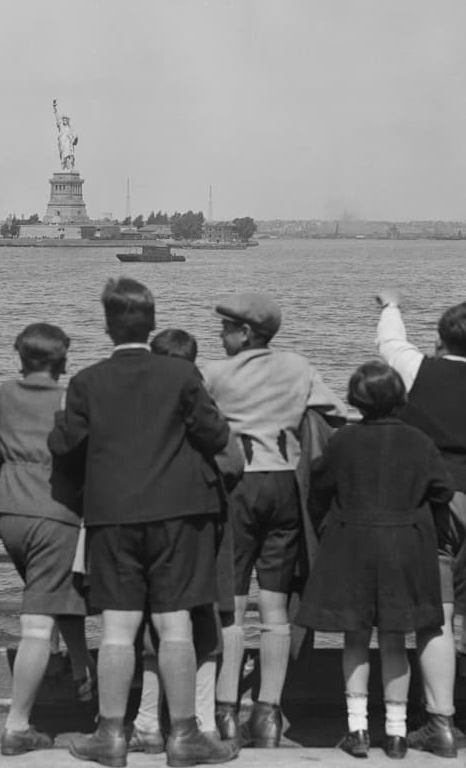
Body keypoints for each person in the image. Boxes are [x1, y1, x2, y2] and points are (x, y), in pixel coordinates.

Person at [50, 278, 235, 768]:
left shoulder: (86, 382)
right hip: (178, 515)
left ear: (107, 325)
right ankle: (186, 736)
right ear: (151, 323)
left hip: (112, 516)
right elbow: (216, 436)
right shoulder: (180, 377)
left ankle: (111, 735)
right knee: (174, 626)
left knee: (117, 628)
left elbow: (63, 445)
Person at [203, 292, 346, 747]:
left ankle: (225, 710)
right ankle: (268, 711)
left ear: (246, 333)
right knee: (275, 603)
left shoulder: (215, 374)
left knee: (233, 601)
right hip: (285, 485)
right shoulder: (298, 367)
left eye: (226, 328)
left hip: (238, 487)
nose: (221, 334)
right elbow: (335, 414)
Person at [297, 360, 454, 760]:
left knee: (354, 636)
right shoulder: (420, 441)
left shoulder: (343, 440)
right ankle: (398, 733)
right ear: (399, 398)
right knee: (395, 638)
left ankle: (358, 728)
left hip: (352, 543)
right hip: (405, 545)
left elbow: (320, 487)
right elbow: (442, 490)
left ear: (356, 399)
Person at [374, 293, 466, 757]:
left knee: (435, 616)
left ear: (437, 337)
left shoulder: (417, 369)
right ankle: (444, 714)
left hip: (432, 500)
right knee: (455, 611)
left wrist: (390, 304)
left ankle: (438, 721)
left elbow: (390, 343)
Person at [127, 329, 239, 754]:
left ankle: (147, 725)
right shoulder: (200, 396)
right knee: (204, 623)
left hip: (141, 521)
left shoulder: (136, 399)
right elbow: (232, 461)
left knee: (152, 628)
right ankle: (203, 725)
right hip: (200, 523)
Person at [0, 322, 93, 756]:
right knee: (37, 623)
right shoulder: (69, 400)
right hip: (54, 512)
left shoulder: (2, 394)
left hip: (9, 511)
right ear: (63, 359)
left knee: (49, 593)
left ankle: (79, 663)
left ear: (20, 356)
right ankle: (17, 726)